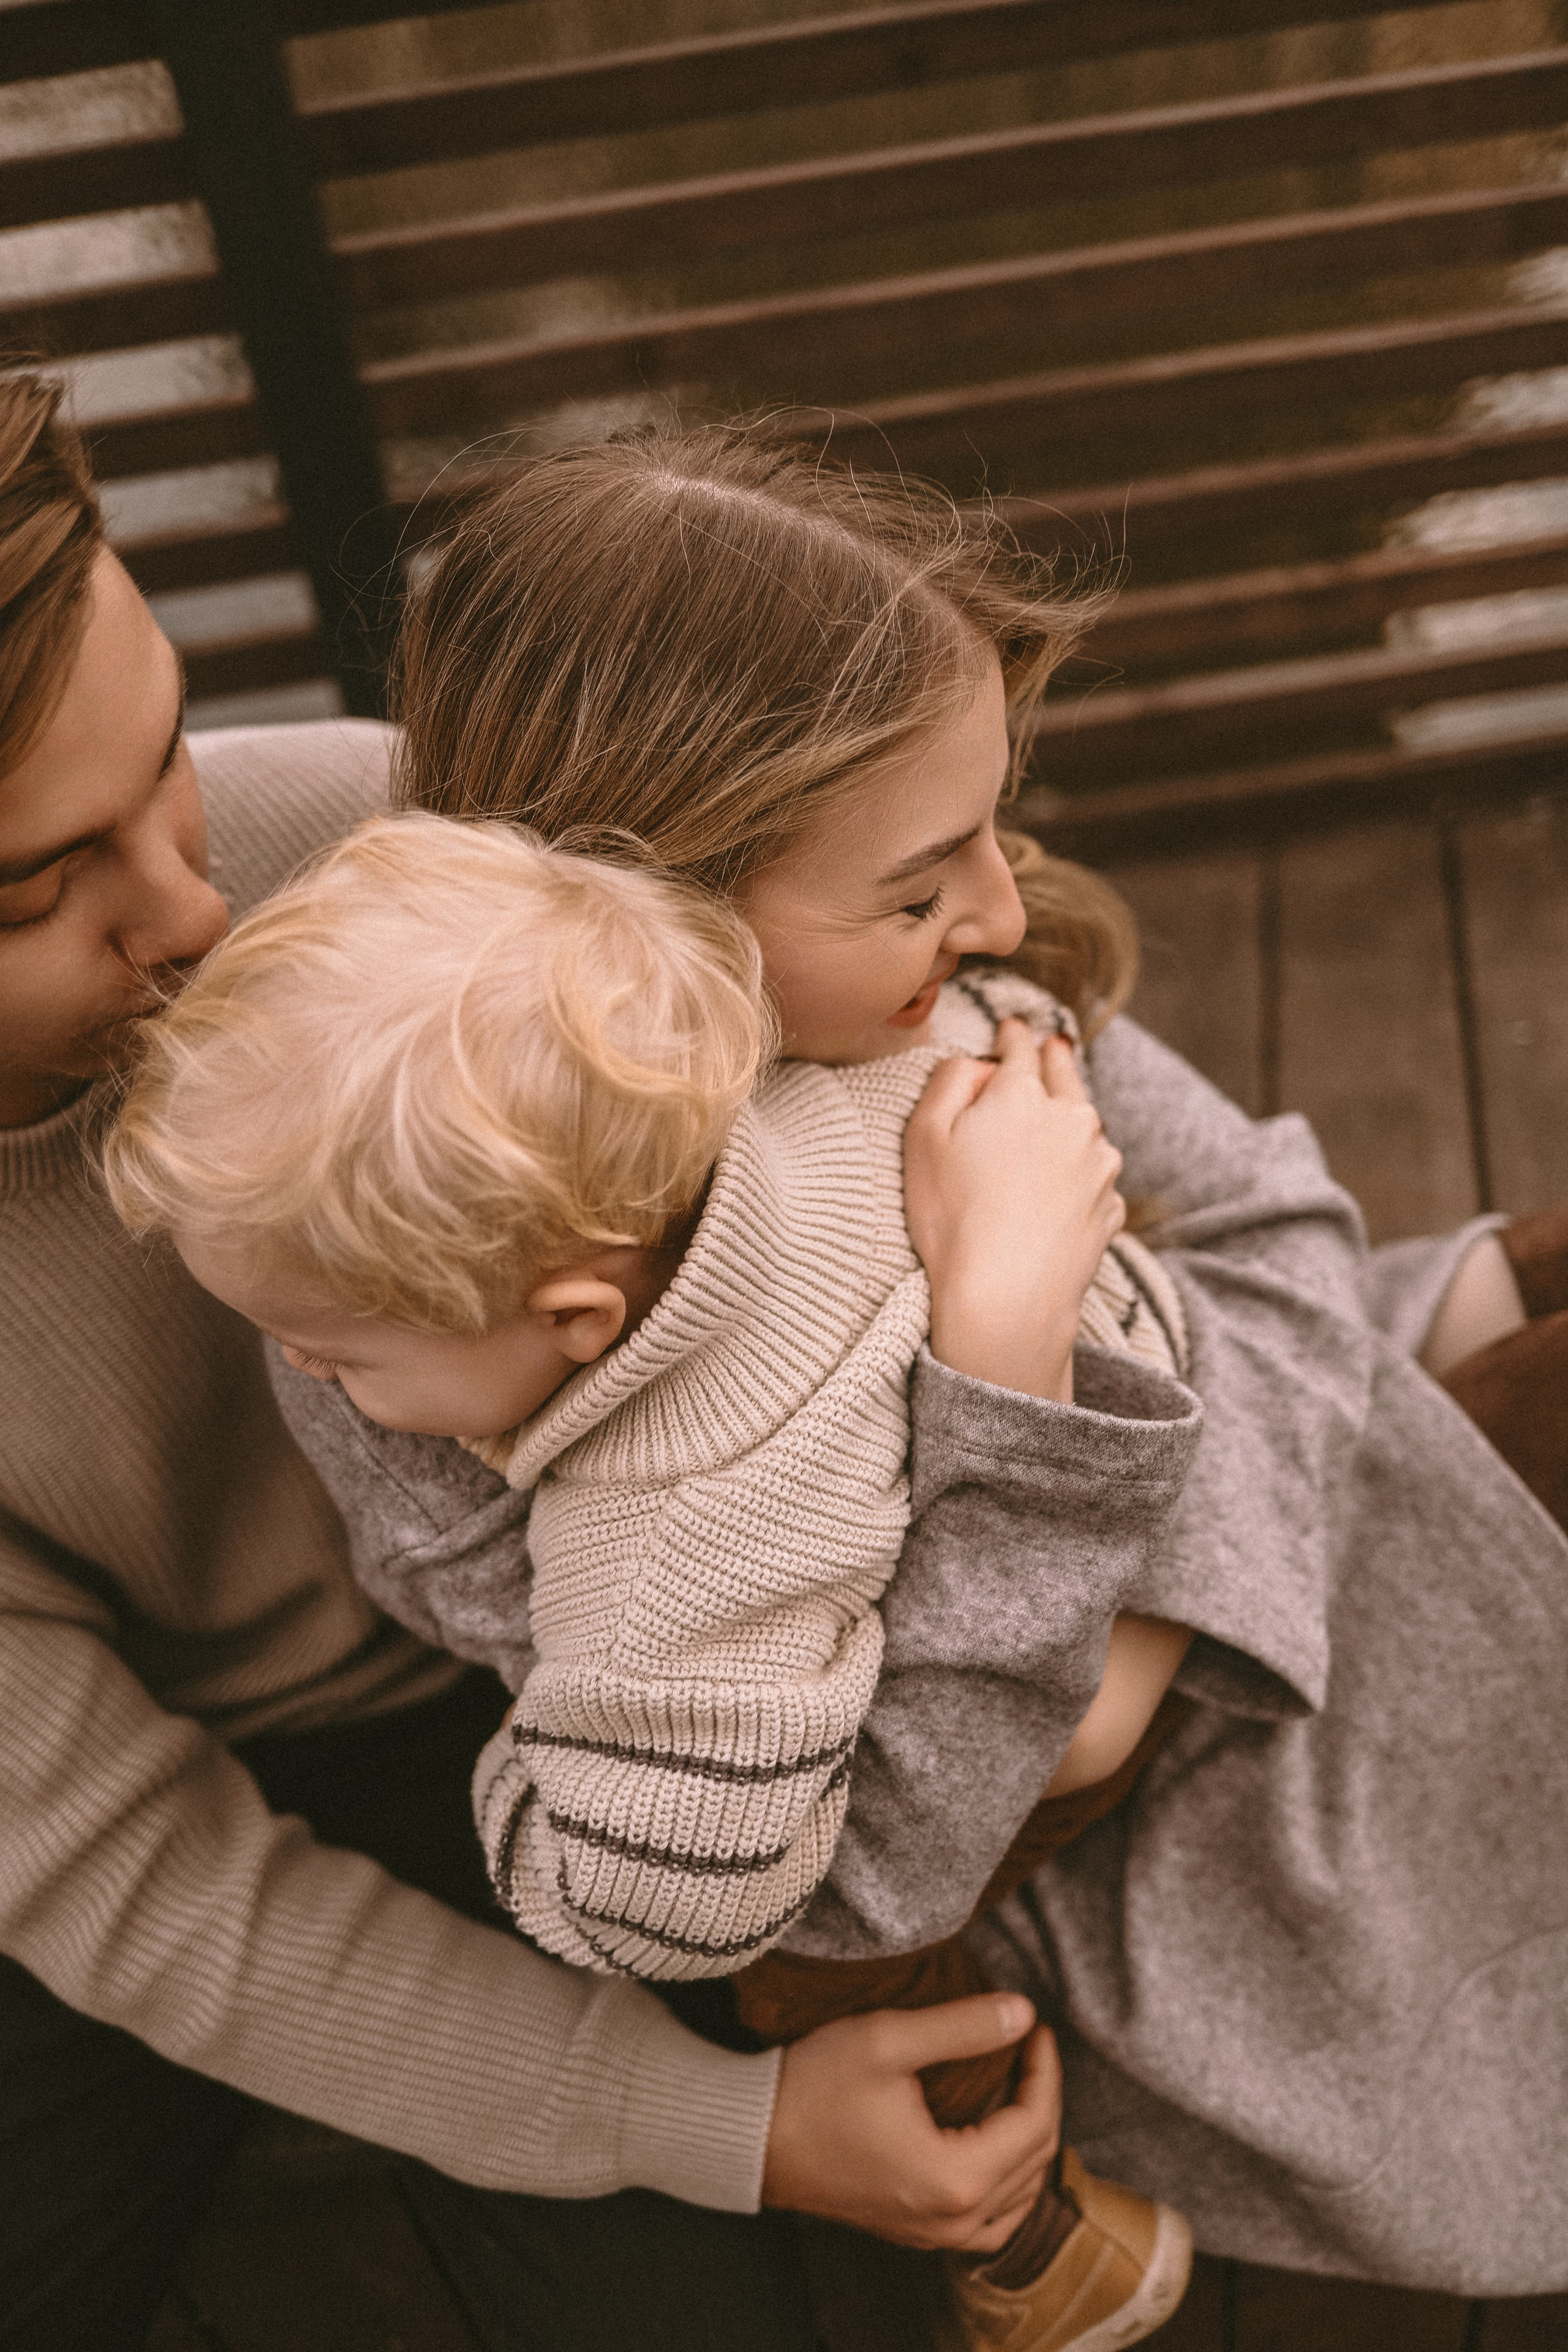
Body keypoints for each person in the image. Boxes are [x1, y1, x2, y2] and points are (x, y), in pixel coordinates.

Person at [323, 416, 1563, 2301]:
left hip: (1286, 1492)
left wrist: (1122, 1663)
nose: (996, 909)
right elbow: (857, 1867)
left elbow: (1278, 1234)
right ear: (670, 917)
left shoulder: (958, 992)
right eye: (918, 886)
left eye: (991, 825)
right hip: (1190, 1843)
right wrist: (1006, 1357)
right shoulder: (457, 1314)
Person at [0, 372, 1068, 2352]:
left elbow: (1003, 1041)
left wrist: (1066, 1340)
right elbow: (138, 1884)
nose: (201, 907)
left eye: (170, 760)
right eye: (34, 887)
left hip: (618, 1657)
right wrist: (724, 2129)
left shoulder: (372, 834)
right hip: (234, 1789)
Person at [100, 808, 1198, 2350]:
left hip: (1027, 1663)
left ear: (573, 1321)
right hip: (1141, 1387)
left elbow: (667, 1899)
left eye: (334, 1355)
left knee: (822, 1963)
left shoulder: (674, 1533)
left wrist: (527, 1791)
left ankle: (1044, 2248)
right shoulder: (825, 1083)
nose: (306, 1380)